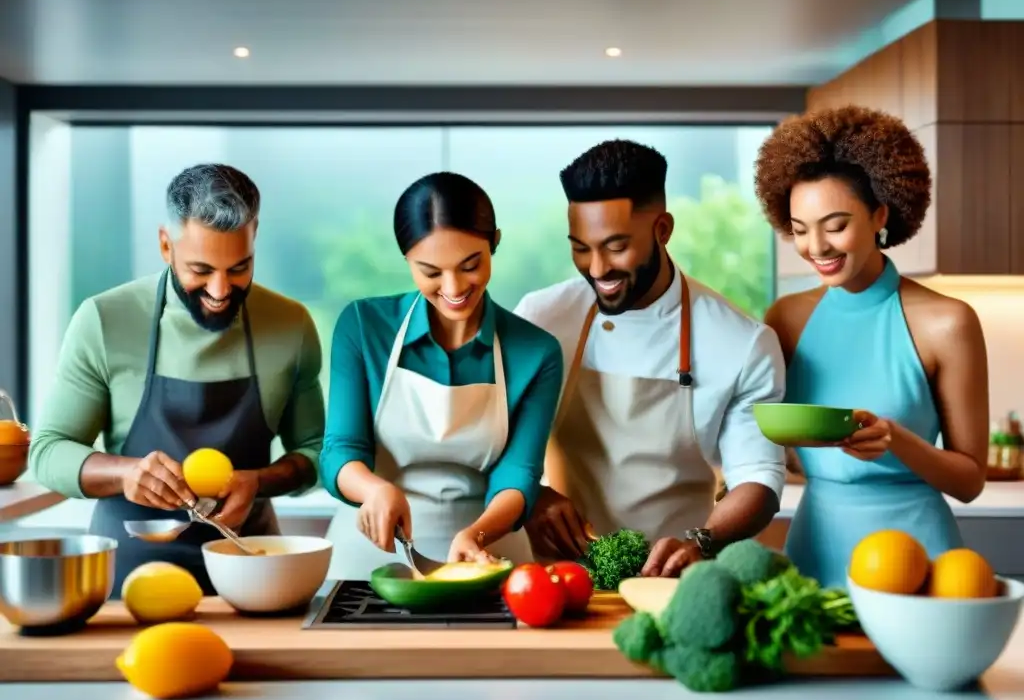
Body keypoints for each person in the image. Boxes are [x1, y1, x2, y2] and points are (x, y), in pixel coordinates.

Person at [30, 163, 325, 597]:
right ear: (166, 245)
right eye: (201, 270)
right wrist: (126, 473)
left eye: (239, 268)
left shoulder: (291, 325)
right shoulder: (104, 320)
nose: (221, 290)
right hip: (127, 582)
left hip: (252, 575)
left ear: (255, 234)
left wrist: (259, 481)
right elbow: (47, 452)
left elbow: (317, 452)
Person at [514, 140, 788, 578]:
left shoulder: (741, 342)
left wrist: (702, 542)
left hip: (673, 582)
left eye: (616, 246)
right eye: (581, 247)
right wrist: (533, 495)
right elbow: (491, 437)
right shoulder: (541, 317)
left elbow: (759, 477)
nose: (597, 268)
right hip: (554, 580)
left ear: (662, 229)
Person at [754, 105, 989, 588]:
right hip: (815, 551)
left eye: (835, 225)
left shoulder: (947, 323)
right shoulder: (786, 318)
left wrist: (894, 439)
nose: (816, 247)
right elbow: (788, 449)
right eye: (799, 229)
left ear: (880, 213)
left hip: (917, 559)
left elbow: (969, 481)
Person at [320, 172, 563, 579]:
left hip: (488, 554)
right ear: (407, 260)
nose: (453, 287)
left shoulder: (535, 351)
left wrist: (478, 534)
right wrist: (375, 490)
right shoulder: (363, 326)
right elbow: (340, 450)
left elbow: (519, 472)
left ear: (495, 243)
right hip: (368, 556)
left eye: (471, 265)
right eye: (430, 272)